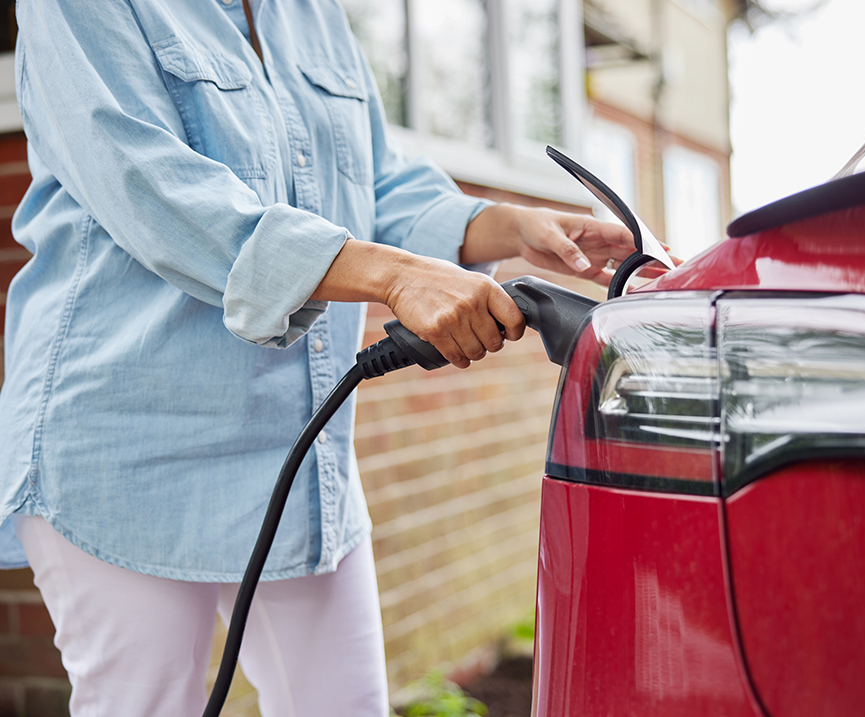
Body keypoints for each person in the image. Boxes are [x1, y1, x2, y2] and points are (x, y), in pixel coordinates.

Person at [0, 0, 641, 714]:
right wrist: (395, 275)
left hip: (296, 450)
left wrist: (509, 225)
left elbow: (373, 178)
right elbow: (154, 191)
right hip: (125, 443)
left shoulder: (309, 14)